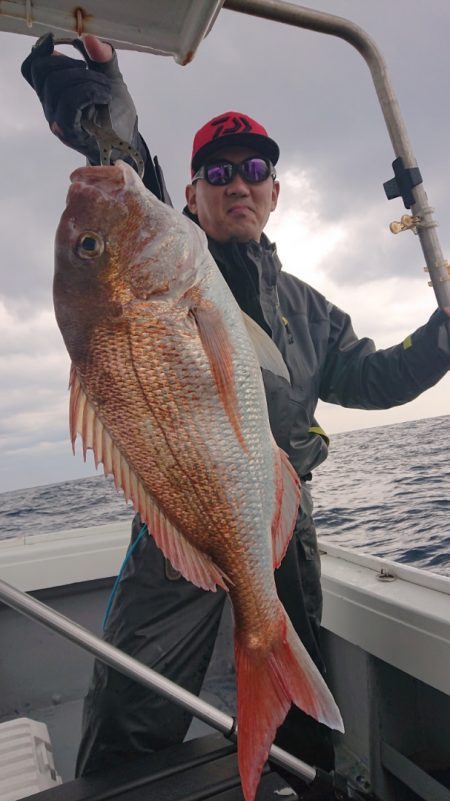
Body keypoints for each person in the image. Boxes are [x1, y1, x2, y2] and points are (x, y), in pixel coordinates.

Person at [22, 34, 450, 800]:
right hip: (178, 526)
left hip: (284, 523)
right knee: (134, 707)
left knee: (302, 719)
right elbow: (122, 158)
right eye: (216, 173)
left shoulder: (310, 312)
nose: (237, 183)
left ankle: (294, 778)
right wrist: (100, 95)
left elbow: (377, 375)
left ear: (276, 191)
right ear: (188, 196)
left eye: (255, 170)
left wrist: (443, 336)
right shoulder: (174, 253)